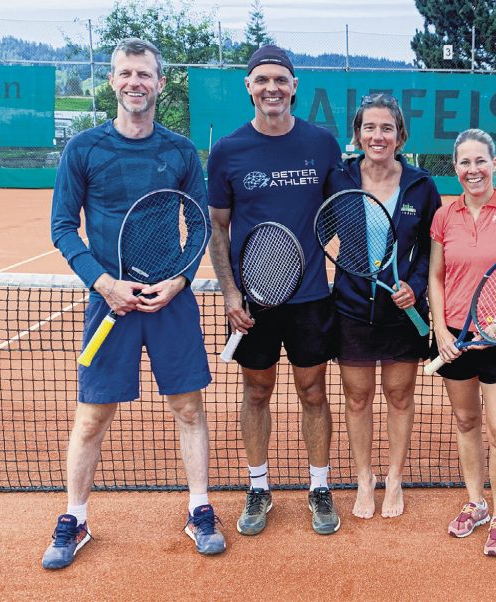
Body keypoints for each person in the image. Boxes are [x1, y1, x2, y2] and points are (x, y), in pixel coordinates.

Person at [44, 38, 225, 570]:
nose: (134, 83)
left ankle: (199, 509)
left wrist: (181, 280)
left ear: (159, 83)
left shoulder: (180, 152)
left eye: (144, 74)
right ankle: (75, 519)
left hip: (170, 303)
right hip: (110, 304)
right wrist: (103, 283)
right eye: (125, 73)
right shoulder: (83, 150)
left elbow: (199, 226)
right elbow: (62, 226)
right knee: (92, 417)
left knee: (189, 409)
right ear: (113, 80)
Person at [207, 45, 341, 535]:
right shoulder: (227, 150)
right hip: (251, 301)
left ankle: (320, 488)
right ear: (249, 86)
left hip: (309, 298)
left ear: (294, 86)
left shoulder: (321, 144)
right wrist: (230, 292)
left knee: (312, 391)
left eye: (280, 80)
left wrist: (302, 257)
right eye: (262, 80)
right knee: (257, 390)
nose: (271, 88)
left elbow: (338, 210)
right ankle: (259, 487)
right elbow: (218, 227)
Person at [326, 94, 441, 519]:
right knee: (357, 399)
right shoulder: (338, 178)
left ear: (400, 135)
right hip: (352, 308)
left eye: (386, 128)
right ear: (357, 135)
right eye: (369, 127)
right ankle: (364, 477)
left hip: (402, 312)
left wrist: (414, 286)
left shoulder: (421, 185)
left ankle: (394, 476)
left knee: (399, 396)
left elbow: (432, 248)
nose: (378, 135)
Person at [428, 129, 496, 556]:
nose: (473, 170)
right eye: (464, 163)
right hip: (453, 335)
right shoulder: (444, 216)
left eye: (480, 161)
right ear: (455, 168)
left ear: (495, 163)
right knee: (466, 422)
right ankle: (475, 502)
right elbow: (436, 277)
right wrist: (440, 330)